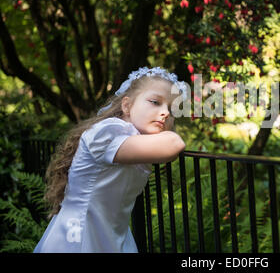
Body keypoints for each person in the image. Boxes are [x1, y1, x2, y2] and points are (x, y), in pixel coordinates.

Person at [33, 67, 187, 253]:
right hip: (80, 236)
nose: (166, 112)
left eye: (170, 108)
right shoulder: (108, 133)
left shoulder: (135, 140)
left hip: (112, 235)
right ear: (127, 106)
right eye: (155, 102)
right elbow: (174, 142)